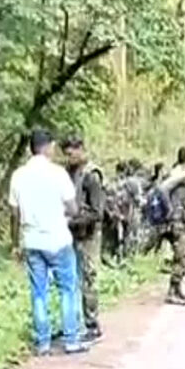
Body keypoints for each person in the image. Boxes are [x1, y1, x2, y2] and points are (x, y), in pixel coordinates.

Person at [8, 129, 87, 355]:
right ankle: (71, 339)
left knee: (38, 292)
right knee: (67, 289)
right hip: (58, 239)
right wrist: (65, 214)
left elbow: (14, 214)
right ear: (48, 147)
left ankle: (43, 342)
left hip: (32, 241)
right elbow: (73, 208)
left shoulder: (18, 176)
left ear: (31, 149)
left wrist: (15, 243)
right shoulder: (58, 174)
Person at [62, 135, 106, 344]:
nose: (69, 158)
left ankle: (92, 324)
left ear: (80, 149)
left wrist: (73, 221)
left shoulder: (91, 176)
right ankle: (74, 323)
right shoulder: (68, 173)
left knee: (89, 279)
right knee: (72, 279)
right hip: (71, 235)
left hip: (88, 236)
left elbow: (98, 212)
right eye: (66, 154)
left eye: (71, 153)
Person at [157, 147, 185, 305]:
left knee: (183, 255)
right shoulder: (179, 174)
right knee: (181, 256)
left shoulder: (179, 172)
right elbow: (163, 189)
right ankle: (172, 292)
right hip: (178, 222)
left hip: (181, 221)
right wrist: (170, 209)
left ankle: (177, 289)